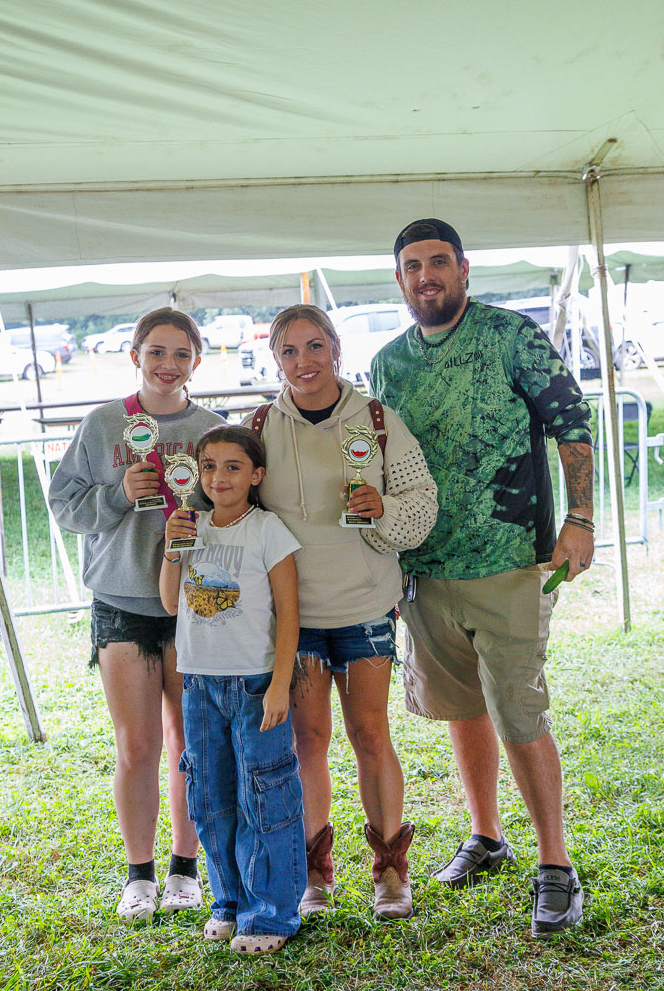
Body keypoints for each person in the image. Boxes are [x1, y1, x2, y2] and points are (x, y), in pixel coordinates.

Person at [370, 219, 595, 938]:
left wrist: (579, 519)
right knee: (461, 707)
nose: (426, 276)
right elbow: (377, 462)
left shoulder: (511, 336)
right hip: (423, 570)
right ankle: (487, 836)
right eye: (412, 266)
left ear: (463, 269)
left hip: (508, 561)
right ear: (399, 279)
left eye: (439, 262)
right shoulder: (387, 364)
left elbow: (571, 422)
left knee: (518, 712)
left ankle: (555, 866)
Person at [243, 304, 438, 920]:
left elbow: (421, 501)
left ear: (335, 349)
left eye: (315, 346)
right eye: (289, 351)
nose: (304, 361)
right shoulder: (258, 426)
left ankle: (391, 870)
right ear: (276, 360)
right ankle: (314, 872)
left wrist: (383, 507)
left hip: (364, 608)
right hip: (294, 617)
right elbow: (234, 507)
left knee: (370, 735)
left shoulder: (377, 420)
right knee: (309, 741)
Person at [48, 308, 221, 921]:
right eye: (156, 352)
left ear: (196, 361)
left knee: (190, 743)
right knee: (137, 744)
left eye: (181, 354)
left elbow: (239, 508)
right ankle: (140, 875)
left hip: (195, 604)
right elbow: (63, 503)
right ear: (135, 356)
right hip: (122, 602)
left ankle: (185, 869)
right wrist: (118, 494)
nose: (168, 365)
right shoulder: (103, 425)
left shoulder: (211, 429)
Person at [159, 425, 306, 955]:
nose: (218, 477)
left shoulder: (268, 530)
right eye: (209, 466)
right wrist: (172, 549)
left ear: (256, 475)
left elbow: (289, 614)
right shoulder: (190, 526)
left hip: (255, 682)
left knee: (262, 794)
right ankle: (228, 902)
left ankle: (271, 912)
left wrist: (280, 685)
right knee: (211, 796)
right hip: (199, 683)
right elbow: (171, 603)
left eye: (233, 466)